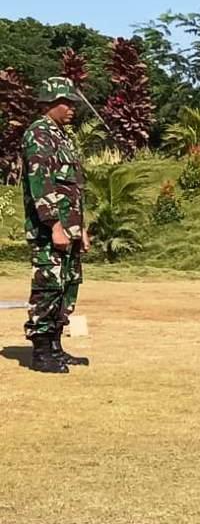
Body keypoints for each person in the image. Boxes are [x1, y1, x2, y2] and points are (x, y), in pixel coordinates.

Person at [22, 77, 91, 373]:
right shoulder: (39, 135)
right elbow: (42, 184)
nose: (72, 108)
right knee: (48, 287)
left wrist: (81, 227)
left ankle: (56, 347)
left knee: (67, 286)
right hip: (50, 230)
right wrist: (53, 225)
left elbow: (73, 188)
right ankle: (41, 352)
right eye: (67, 102)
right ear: (50, 102)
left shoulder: (62, 136)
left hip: (70, 228)